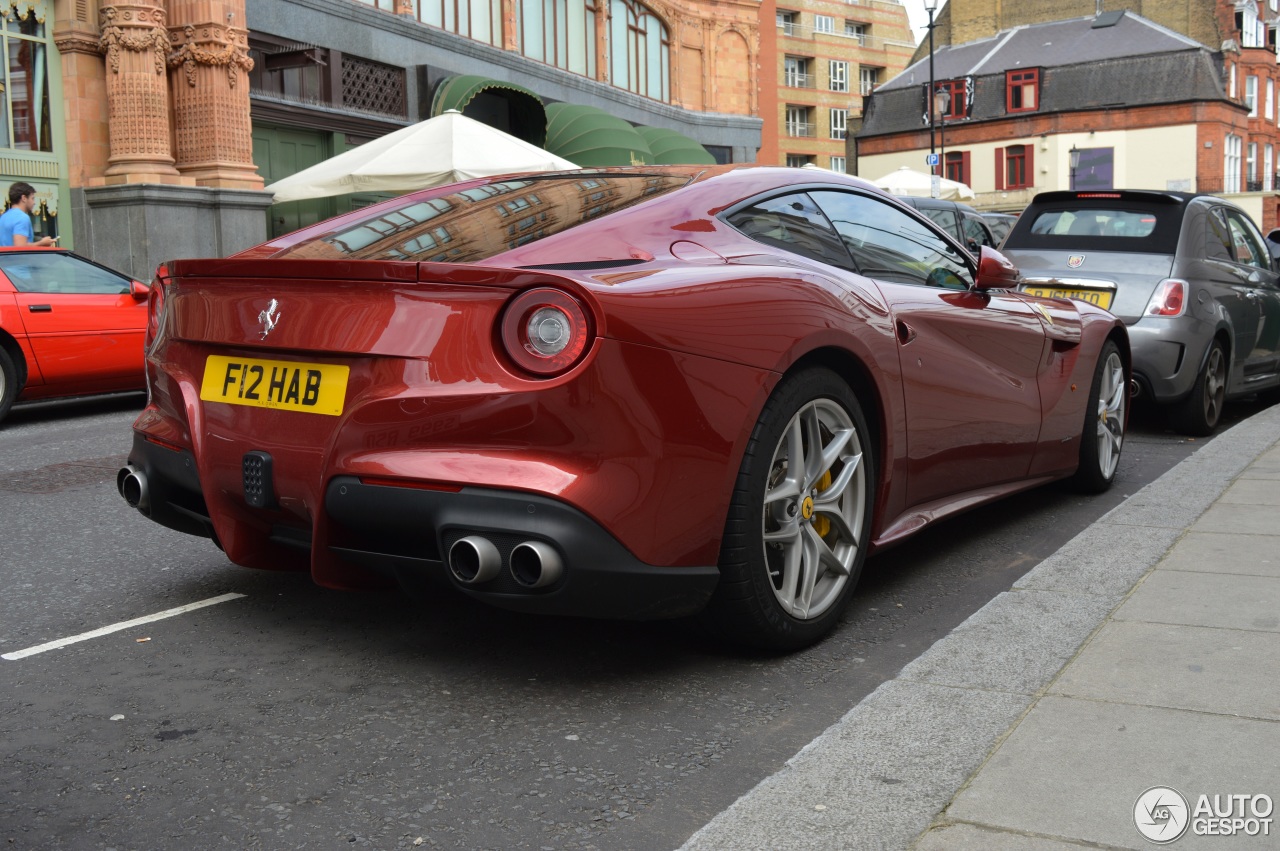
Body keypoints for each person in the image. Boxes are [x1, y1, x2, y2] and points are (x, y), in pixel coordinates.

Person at [0, 182, 55, 247]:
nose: (34, 203)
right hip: (19, 257)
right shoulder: (22, 217)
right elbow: (20, 247)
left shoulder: (3, 217)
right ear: (24, 198)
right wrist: (42, 243)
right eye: (32, 198)